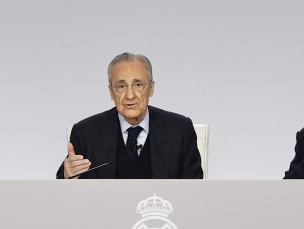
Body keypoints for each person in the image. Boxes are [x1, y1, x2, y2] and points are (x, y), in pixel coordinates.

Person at [56, 53, 203, 179]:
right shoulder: (86, 133)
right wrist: (67, 176)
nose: (130, 95)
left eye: (138, 85)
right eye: (121, 86)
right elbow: (65, 189)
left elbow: (194, 191)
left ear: (151, 88)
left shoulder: (180, 130)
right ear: (111, 92)